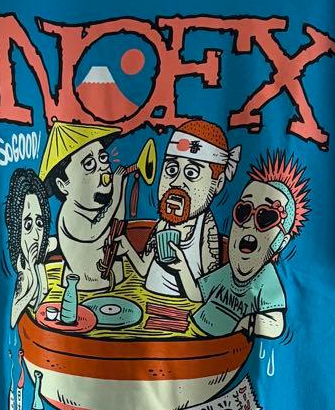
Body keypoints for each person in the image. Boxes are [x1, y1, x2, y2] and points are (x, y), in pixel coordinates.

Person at [172, 150, 310, 339]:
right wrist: (181, 267)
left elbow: (276, 324)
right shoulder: (226, 273)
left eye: (266, 217)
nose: (249, 224)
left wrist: (248, 323)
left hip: (227, 348)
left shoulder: (266, 278)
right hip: (195, 333)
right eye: (243, 211)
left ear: (281, 242)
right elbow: (197, 294)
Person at [116, 118, 240, 297]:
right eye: (172, 170)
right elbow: (143, 269)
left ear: (217, 183)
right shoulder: (162, 224)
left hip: (185, 310)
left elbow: (207, 294)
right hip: (148, 302)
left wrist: (182, 268)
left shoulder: (205, 228)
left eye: (191, 173)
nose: (177, 182)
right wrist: (126, 247)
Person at [39, 119, 126, 292]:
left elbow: (117, 224)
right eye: (89, 164)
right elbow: (92, 232)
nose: (102, 168)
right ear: (63, 185)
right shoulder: (69, 213)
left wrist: (121, 189)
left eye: (103, 158)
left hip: (116, 286)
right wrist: (116, 195)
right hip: (82, 290)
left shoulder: (98, 206)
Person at [4, 167, 51, 328]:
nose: (36, 235)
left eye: (40, 223)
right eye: (28, 225)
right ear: (16, 227)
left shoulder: (39, 266)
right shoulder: (17, 274)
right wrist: (30, 281)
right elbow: (11, 322)